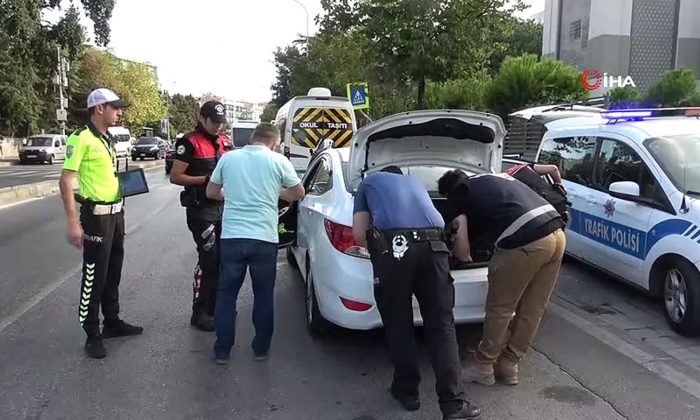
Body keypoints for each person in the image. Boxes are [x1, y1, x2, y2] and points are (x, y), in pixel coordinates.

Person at [352, 166, 481, 420]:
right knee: (442, 326)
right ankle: (454, 404)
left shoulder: (368, 183)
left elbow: (358, 234)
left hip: (395, 248)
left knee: (398, 323)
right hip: (436, 246)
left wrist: (381, 253)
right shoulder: (416, 184)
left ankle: (407, 392)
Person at [437, 169, 566, 386]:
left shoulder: (460, 193)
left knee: (500, 308)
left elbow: (464, 253)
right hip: (556, 233)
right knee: (533, 308)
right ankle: (509, 364)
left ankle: (483, 365)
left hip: (525, 241)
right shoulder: (494, 178)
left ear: (448, 192)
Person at [206, 122, 304, 364]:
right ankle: (260, 348)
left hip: (232, 238)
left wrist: (228, 194)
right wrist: (276, 192)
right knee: (263, 295)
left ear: (252, 138)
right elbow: (298, 193)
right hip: (264, 239)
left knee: (227, 294)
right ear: (275, 143)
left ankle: (222, 350)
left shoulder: (229, 158)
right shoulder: (279, 161)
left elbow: (211, 192)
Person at [59, 88, 143, 359]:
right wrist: (73, 221)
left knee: (113, 272)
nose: (119, 112)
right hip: (95, 218)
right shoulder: (81, 137)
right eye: (115, 107)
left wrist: (120, 217)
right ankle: (92, 333)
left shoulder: (107, 137)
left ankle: (112, 322)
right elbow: (66, 180)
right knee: (94, 276)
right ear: (99, 108)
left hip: (115, 215)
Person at [170, 100, 229, 331]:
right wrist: (204, 180)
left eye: (220, 122)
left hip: (222, 208)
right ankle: (201, 311)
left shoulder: (224, 141)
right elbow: (176, 176)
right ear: (202, 119)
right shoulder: (190, 142)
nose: (218, 126)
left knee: (223, 260)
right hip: (201, 210)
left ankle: (216, 307)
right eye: (214, 122)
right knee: (209, 260)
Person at [503, 162, 569, 224]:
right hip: (557, 201)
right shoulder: (525, 167)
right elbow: (554, 169)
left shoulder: (505, 183)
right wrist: (558, 185)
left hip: (539, 211)